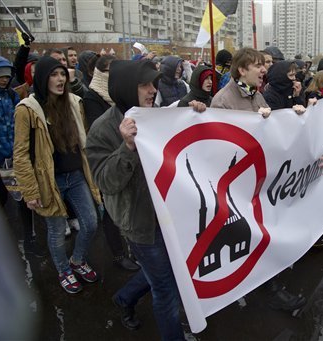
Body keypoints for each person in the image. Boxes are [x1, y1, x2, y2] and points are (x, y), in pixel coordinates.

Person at [86, 59, 204, 338]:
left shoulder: (157, 116)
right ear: (127, 88)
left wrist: (196, 112)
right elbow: (105, 182)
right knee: (166, 289)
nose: (153, 90)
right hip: (139, 223)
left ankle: (125, 298)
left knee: (170, 272)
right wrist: (127, 147)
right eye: (144, 85)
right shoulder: (103, 129)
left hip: (169, 215)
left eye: (153, 84)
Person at [211, 47, 306, 312]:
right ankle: (269, 290)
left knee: (261, 233)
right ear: (242, 70)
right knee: (255, 235)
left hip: (259, 180)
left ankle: (262, 283)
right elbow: (220, 148)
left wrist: (290, 117)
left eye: (264, 65)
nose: (264, 69)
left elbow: (273, 135)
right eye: (257, 66)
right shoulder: (223, 100)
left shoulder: (258, 95)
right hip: (238, 185)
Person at [13, 56, 101, 294]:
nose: (60, 79)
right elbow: (20, 154)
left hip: (76, 175)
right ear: (43, 78)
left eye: (62, 74)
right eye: (54, 74)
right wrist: (30, 190)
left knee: (91, 222)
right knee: (56, 231)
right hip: (49, 180)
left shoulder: (74, 102)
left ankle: (77, 260)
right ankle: (63, 270)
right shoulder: (27, 110)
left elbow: (84, 140)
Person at [82, 55, 140, 272]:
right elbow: (104, 134)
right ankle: (118, 254)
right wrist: (126, 142)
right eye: (108, 70)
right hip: (112, 160)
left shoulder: (132, 103)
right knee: (111, 211)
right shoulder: (93, 99)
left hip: (129, 166)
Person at [0, 56, 44, 257]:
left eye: (7, 76)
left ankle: (30, 242)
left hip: (15, 159)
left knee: (24, 201)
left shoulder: (12, 97)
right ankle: (2, 246)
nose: (4, 80)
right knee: (1, 204)